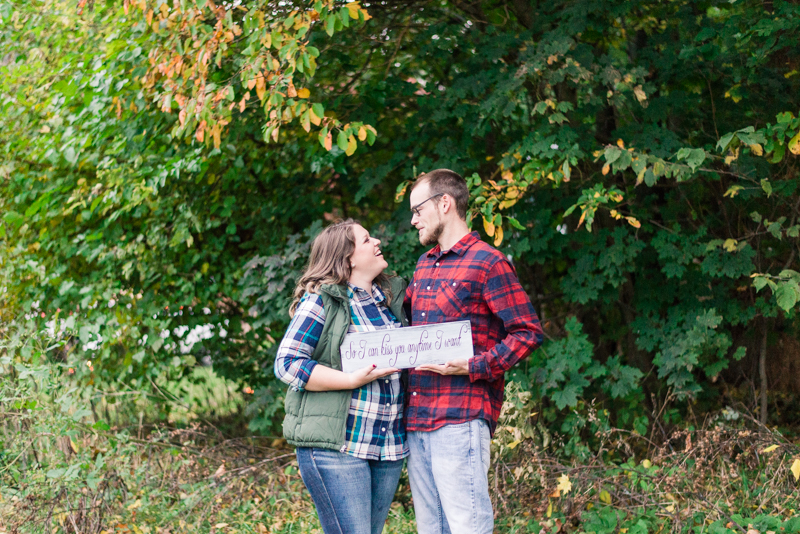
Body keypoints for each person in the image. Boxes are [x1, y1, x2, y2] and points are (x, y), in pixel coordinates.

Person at [404, 169, 544, 534]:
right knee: (430, 529)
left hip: (459, 418)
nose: (413, 219)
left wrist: (473, 366)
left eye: (418, 210)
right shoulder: (423, 265)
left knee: (468, 527)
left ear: (444, 204)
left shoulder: (488, 262)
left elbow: (527, 331)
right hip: (416, 420)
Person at [274, 219, 409, 534]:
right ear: (348, 258)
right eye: (365, 240)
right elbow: (288, 363)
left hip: (386, 446)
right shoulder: (322, 300)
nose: (376, 241)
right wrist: (350, 380)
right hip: (338, 446)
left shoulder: (387, 301)